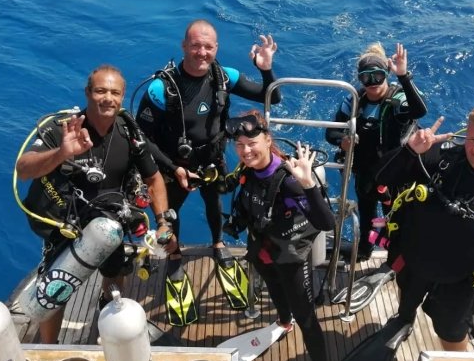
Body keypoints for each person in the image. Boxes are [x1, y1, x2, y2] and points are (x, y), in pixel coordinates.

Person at [332, 104, 474, 361]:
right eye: (471, 140)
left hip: (459, 281)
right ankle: (404, 319)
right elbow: (381, 178)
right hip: (413, 263)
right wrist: (410, 152)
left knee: (451, 333)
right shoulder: (445, 161)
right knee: (406, 305)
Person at [17, 65, 178, 343]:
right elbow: (24, 169)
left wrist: (163, 221)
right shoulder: (64, 128)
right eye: (101, 90)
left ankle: (108, 321)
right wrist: (62, 152)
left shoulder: (129, 132)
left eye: (115, 92)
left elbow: (153, 179)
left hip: (110, 221)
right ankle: (50, 347)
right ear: (88, 93)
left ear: (122, 95)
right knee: (57, 286)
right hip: (67, 223)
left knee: (115, 273)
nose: (108, 98)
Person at [135, 19, 280, 316]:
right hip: (175, 165)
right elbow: (141, 138)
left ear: (216, 48)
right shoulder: (161, 89)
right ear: (184, 46)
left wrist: (265, 68)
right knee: (170, 212)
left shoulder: (224, 77)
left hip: (212, 159)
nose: (202, 52)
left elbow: (272, 96)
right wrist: (173, 168)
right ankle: (174, 257)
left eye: (208, 46)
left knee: (214, 204)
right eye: (196, 45)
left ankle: (217, 244)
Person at [223, 110, 336, 361]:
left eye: (252, 143)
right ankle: (283, 323)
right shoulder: (247, 170)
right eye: (239, 145)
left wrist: (308, 184)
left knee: (307, 319)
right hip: (262, 251)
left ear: (267, 139)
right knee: (275, 292)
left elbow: (326, 222)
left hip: (291, 260)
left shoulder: (289, 180)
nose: (246, 151)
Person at [325, 42, 427, 261]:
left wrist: (404, 76)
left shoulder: (397, 99)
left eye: (378, 76)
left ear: (386, 74)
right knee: (367, 217)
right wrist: (342, 141)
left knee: (396, 218)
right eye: (366, 78)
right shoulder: (354, 100)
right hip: (366, 171)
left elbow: (420, 110)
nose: (372, 83)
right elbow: (330, 133)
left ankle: (393, 257)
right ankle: (365, 250)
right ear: (359, 78)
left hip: (396, 173)